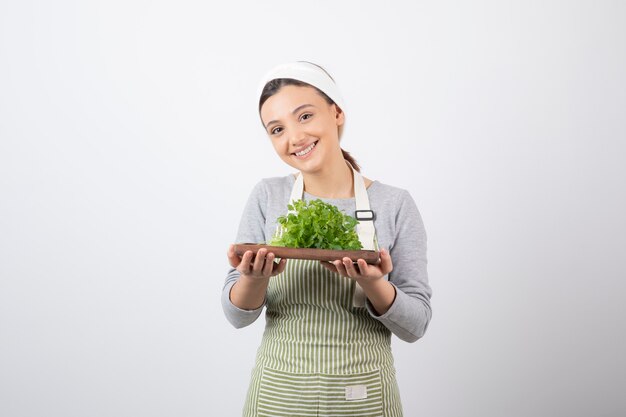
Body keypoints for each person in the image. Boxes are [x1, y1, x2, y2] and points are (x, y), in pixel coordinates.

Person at [222, 61, 432, 417]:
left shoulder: (394, 204)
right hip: (278, 397)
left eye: (304, 117)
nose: (294, 138)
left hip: (363, 397)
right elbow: (236, 316)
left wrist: (374, 284)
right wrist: (252, 280)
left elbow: (416, 325)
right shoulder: (267, 196)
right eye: (277, 129)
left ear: (336, 112)